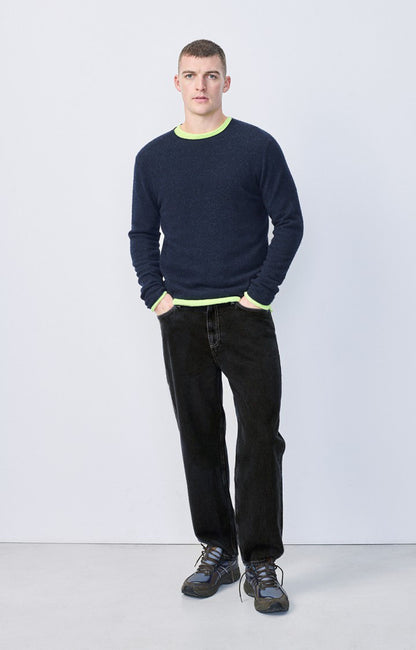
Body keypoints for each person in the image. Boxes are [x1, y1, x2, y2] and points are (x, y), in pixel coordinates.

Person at [128, 38, 303, 614]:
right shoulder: (153, 158)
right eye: (190, 75)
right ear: (176, 82)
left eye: (211, 74)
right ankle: (219, 551)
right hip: (180, 319)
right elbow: (141, 235)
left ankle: (261, 562)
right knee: (199, 435)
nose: (200, 84)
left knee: (259, 438)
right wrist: (157, 298)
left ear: (226, 82)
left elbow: (290, 223)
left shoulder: (256, 147)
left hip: (245, 317)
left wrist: (259, 295)